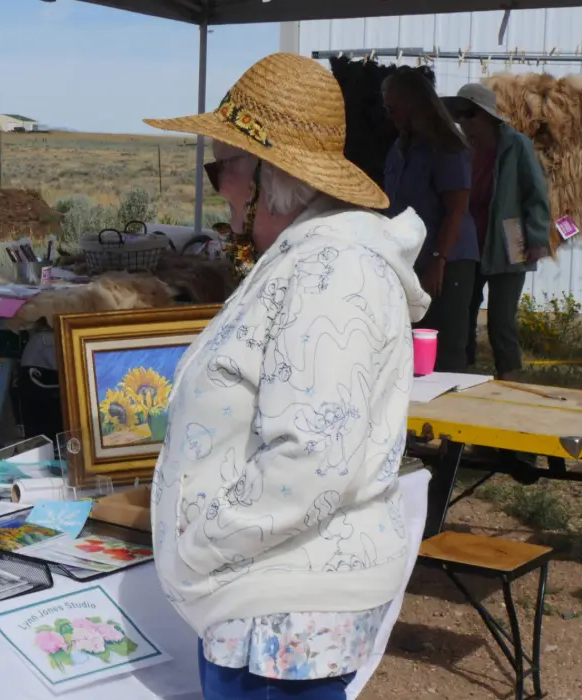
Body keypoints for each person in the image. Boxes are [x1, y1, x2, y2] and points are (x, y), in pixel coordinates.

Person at [143, 53, 430, 700]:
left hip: (282, 617)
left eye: (219, 168)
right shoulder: (307, 262)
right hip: (265, 601)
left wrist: (199, 541)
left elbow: (311, 460)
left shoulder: (334, 274)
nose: (216, 188)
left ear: (266, 177)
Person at [443, 82, 550, 379]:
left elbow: (536, 195)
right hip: (468, 245)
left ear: (488, 115)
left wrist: (537, 238)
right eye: (458, 115)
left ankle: (510, 378)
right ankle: (462, 375)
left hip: (509, 242)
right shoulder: (460, 148)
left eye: (469, 114)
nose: (463, 121)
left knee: (501, 319)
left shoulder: (516, 145)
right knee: (463, 312)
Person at [382, 68, 479, 372]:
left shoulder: (447, 148)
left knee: (446, 343)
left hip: (448, 259)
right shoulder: (397, 150)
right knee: (409, 341)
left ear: (412, 104)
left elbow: (456, 209)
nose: (389, 114)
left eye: (392, 107)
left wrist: (439, 259)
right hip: (413, 258)